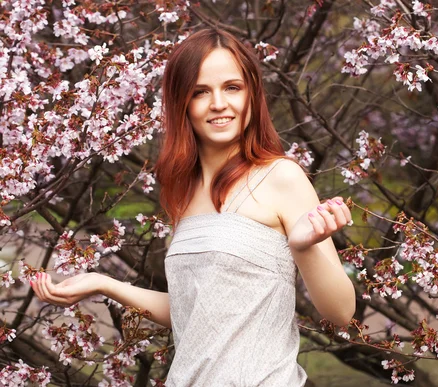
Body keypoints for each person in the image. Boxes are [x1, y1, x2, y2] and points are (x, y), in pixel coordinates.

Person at [31, 28, 356, 386]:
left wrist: (302, 247)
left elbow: (341, 313)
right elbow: (195, 313)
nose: (219, 103)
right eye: (201, 92)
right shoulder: (184, 192)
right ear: (181, 102)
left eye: (232, 87)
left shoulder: (282, 177)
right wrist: (103, 283)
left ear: (252, 94)